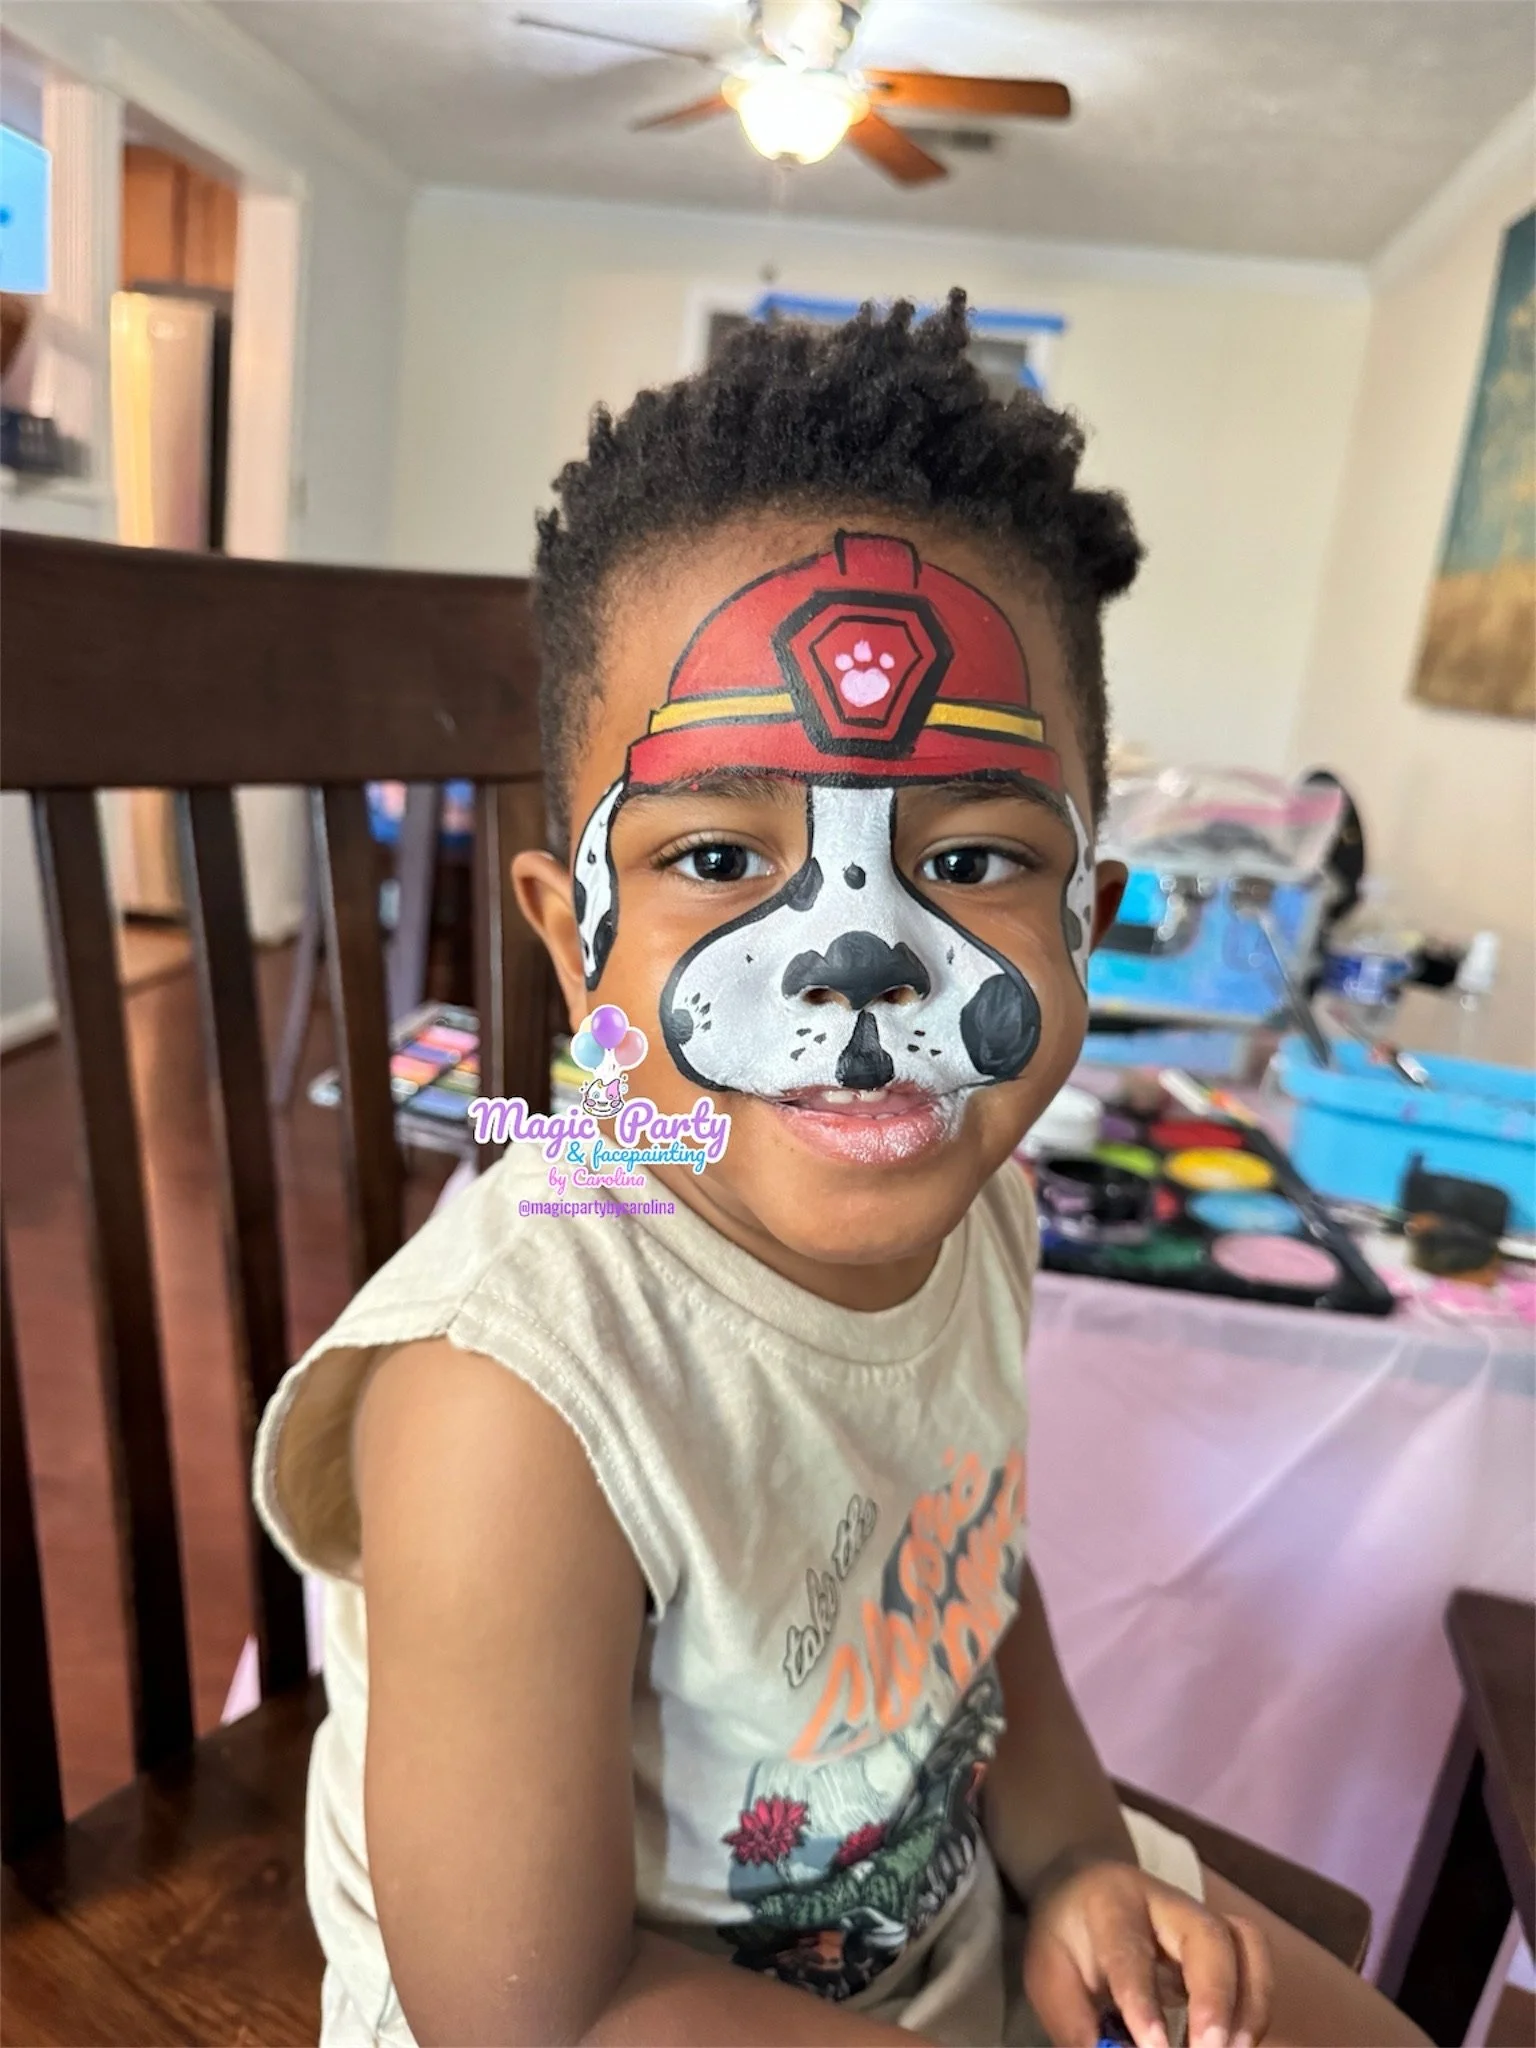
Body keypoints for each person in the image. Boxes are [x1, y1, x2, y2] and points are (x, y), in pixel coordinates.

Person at [255, 293, 1429, 2048]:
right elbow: (538, 2017)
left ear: (1089, 922)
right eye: (719, 856)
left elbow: (963, 1579)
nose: (858, 965)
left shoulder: (983, 1204)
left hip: (937, 1899)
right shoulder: (510, 1402)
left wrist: (1081, 1861)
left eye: (972, 858)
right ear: (573, 946)